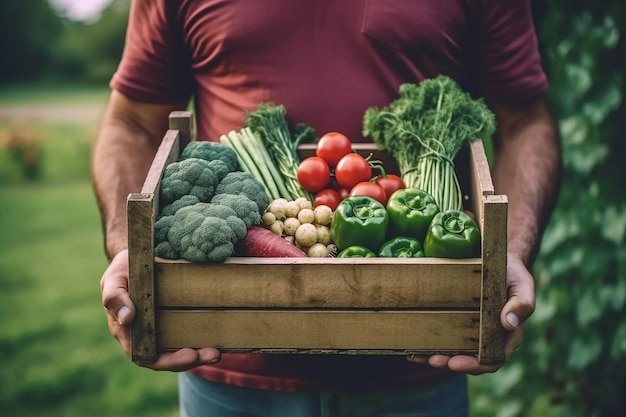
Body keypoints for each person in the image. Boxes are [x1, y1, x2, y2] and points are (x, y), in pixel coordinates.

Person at [93, 1, 561, 416]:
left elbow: (525, 123)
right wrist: (127, 251)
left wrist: (509, 253)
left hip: (422, 359)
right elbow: (132, 121)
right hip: (222, 354)